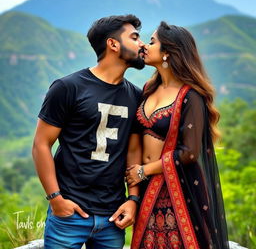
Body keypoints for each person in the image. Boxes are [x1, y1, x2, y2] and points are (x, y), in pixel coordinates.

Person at [32, 14, 145, 249]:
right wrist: (56, 199)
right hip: (69, 214)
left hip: (113, 216)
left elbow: (133, 150)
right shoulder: (68, 87)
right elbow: (41, 144)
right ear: (113, 44)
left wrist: (133, 198)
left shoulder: (135, 96)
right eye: (134, 37)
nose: (142, 44)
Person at [126, 21, 229, 249]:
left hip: (178, 190)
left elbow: (189, 153)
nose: (145, 46)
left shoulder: (191, 97)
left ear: (168, 52)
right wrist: (135, 183)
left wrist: (143, 171)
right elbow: (134, 141)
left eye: (152, 42)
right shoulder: (148, 90)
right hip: (146, 189)